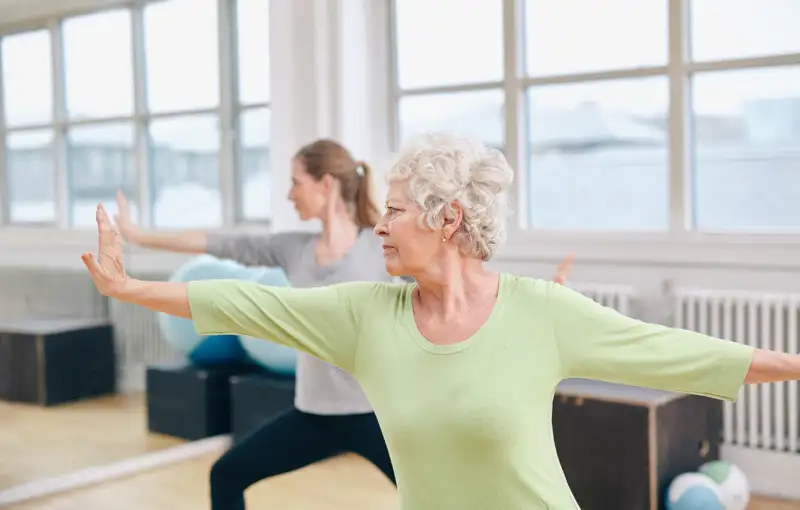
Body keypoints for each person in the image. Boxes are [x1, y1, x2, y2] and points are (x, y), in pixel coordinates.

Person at [81, 132, 797, 510]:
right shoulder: (366, 316)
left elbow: (676, 352)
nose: (381, 227)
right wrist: (129, 285)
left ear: (447, 216)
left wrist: (792, 364)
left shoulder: (539, 312)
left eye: (393, 212)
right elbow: (246, 303)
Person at [112, 137, 574, 509]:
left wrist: (539, 300)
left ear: (326, 184)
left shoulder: (382, 246)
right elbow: (219, 243)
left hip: (381, 415)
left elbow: (457, 276)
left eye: (296, 182)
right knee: (227, 472)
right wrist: (138, 236)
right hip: (313, 412)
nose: (290, 193)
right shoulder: (291, 248)